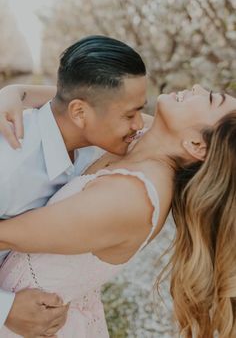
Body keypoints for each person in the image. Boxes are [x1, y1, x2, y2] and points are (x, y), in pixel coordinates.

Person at [0, 85, 235, 337]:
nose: (198, 87)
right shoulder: (145, 132)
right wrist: (13, 93)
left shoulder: (130, 199)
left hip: (28, 319)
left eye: (210, 98)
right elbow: (72, 105)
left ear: (196, 144)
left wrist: (4, 308)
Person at [0, 35, 150, 337]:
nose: (138, 125)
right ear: (80, 113)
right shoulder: (11, 165)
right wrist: (5, 310)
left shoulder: (90, 135)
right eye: (129, 115)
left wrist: (18, 90)